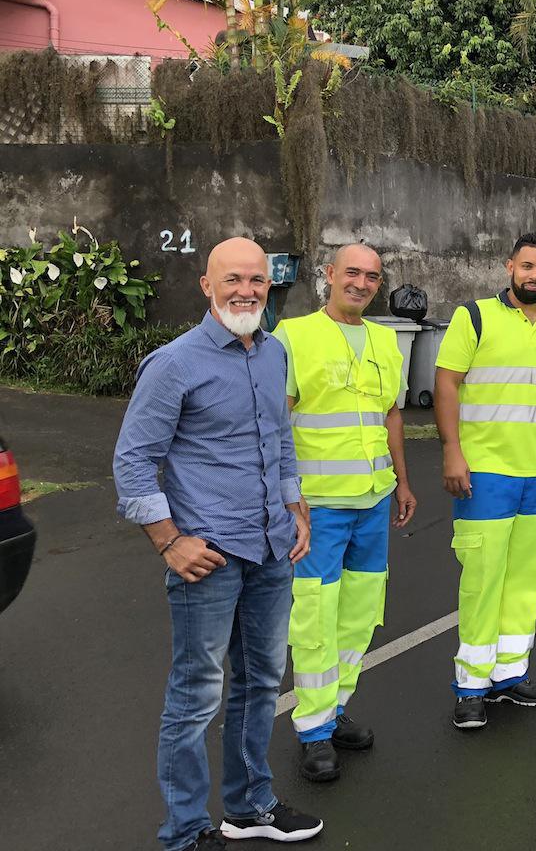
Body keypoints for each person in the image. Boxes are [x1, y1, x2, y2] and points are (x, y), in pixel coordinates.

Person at [113, 237, 323, 851]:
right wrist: (168, 541)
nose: (245, 291)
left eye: (256, 280)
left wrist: (294, 505)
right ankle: (183, 832)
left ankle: (250, 805)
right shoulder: (174, 363)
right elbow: (133, 461)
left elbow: (280, 439)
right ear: (206, 285)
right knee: (196, 694)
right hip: (207, 556)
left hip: (270, 549)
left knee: (261, 682)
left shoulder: (274, 353)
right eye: (232, 279)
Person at [433, 232, 536, 730]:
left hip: (535, 475)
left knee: (526, 580)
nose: (535, 276)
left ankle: (509, 675)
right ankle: (471, 687)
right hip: (484, 472)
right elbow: (446, 382)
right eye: (527, 266)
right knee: (483, 579)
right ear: (510, 267)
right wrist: (452, 451)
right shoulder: (474, 317)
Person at [273, 244, 417, 782]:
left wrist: (403, 481)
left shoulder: (384, 338)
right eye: (351, 272)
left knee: (359, 613)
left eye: (371, 276)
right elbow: (276, 424)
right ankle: (312, 728)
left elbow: (391, 416)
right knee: (315, 617)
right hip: (318, 510)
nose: (360, 283)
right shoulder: (293, 336)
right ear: (328, 275)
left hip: (373, 502)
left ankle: (335, 709)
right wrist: (287, 499)